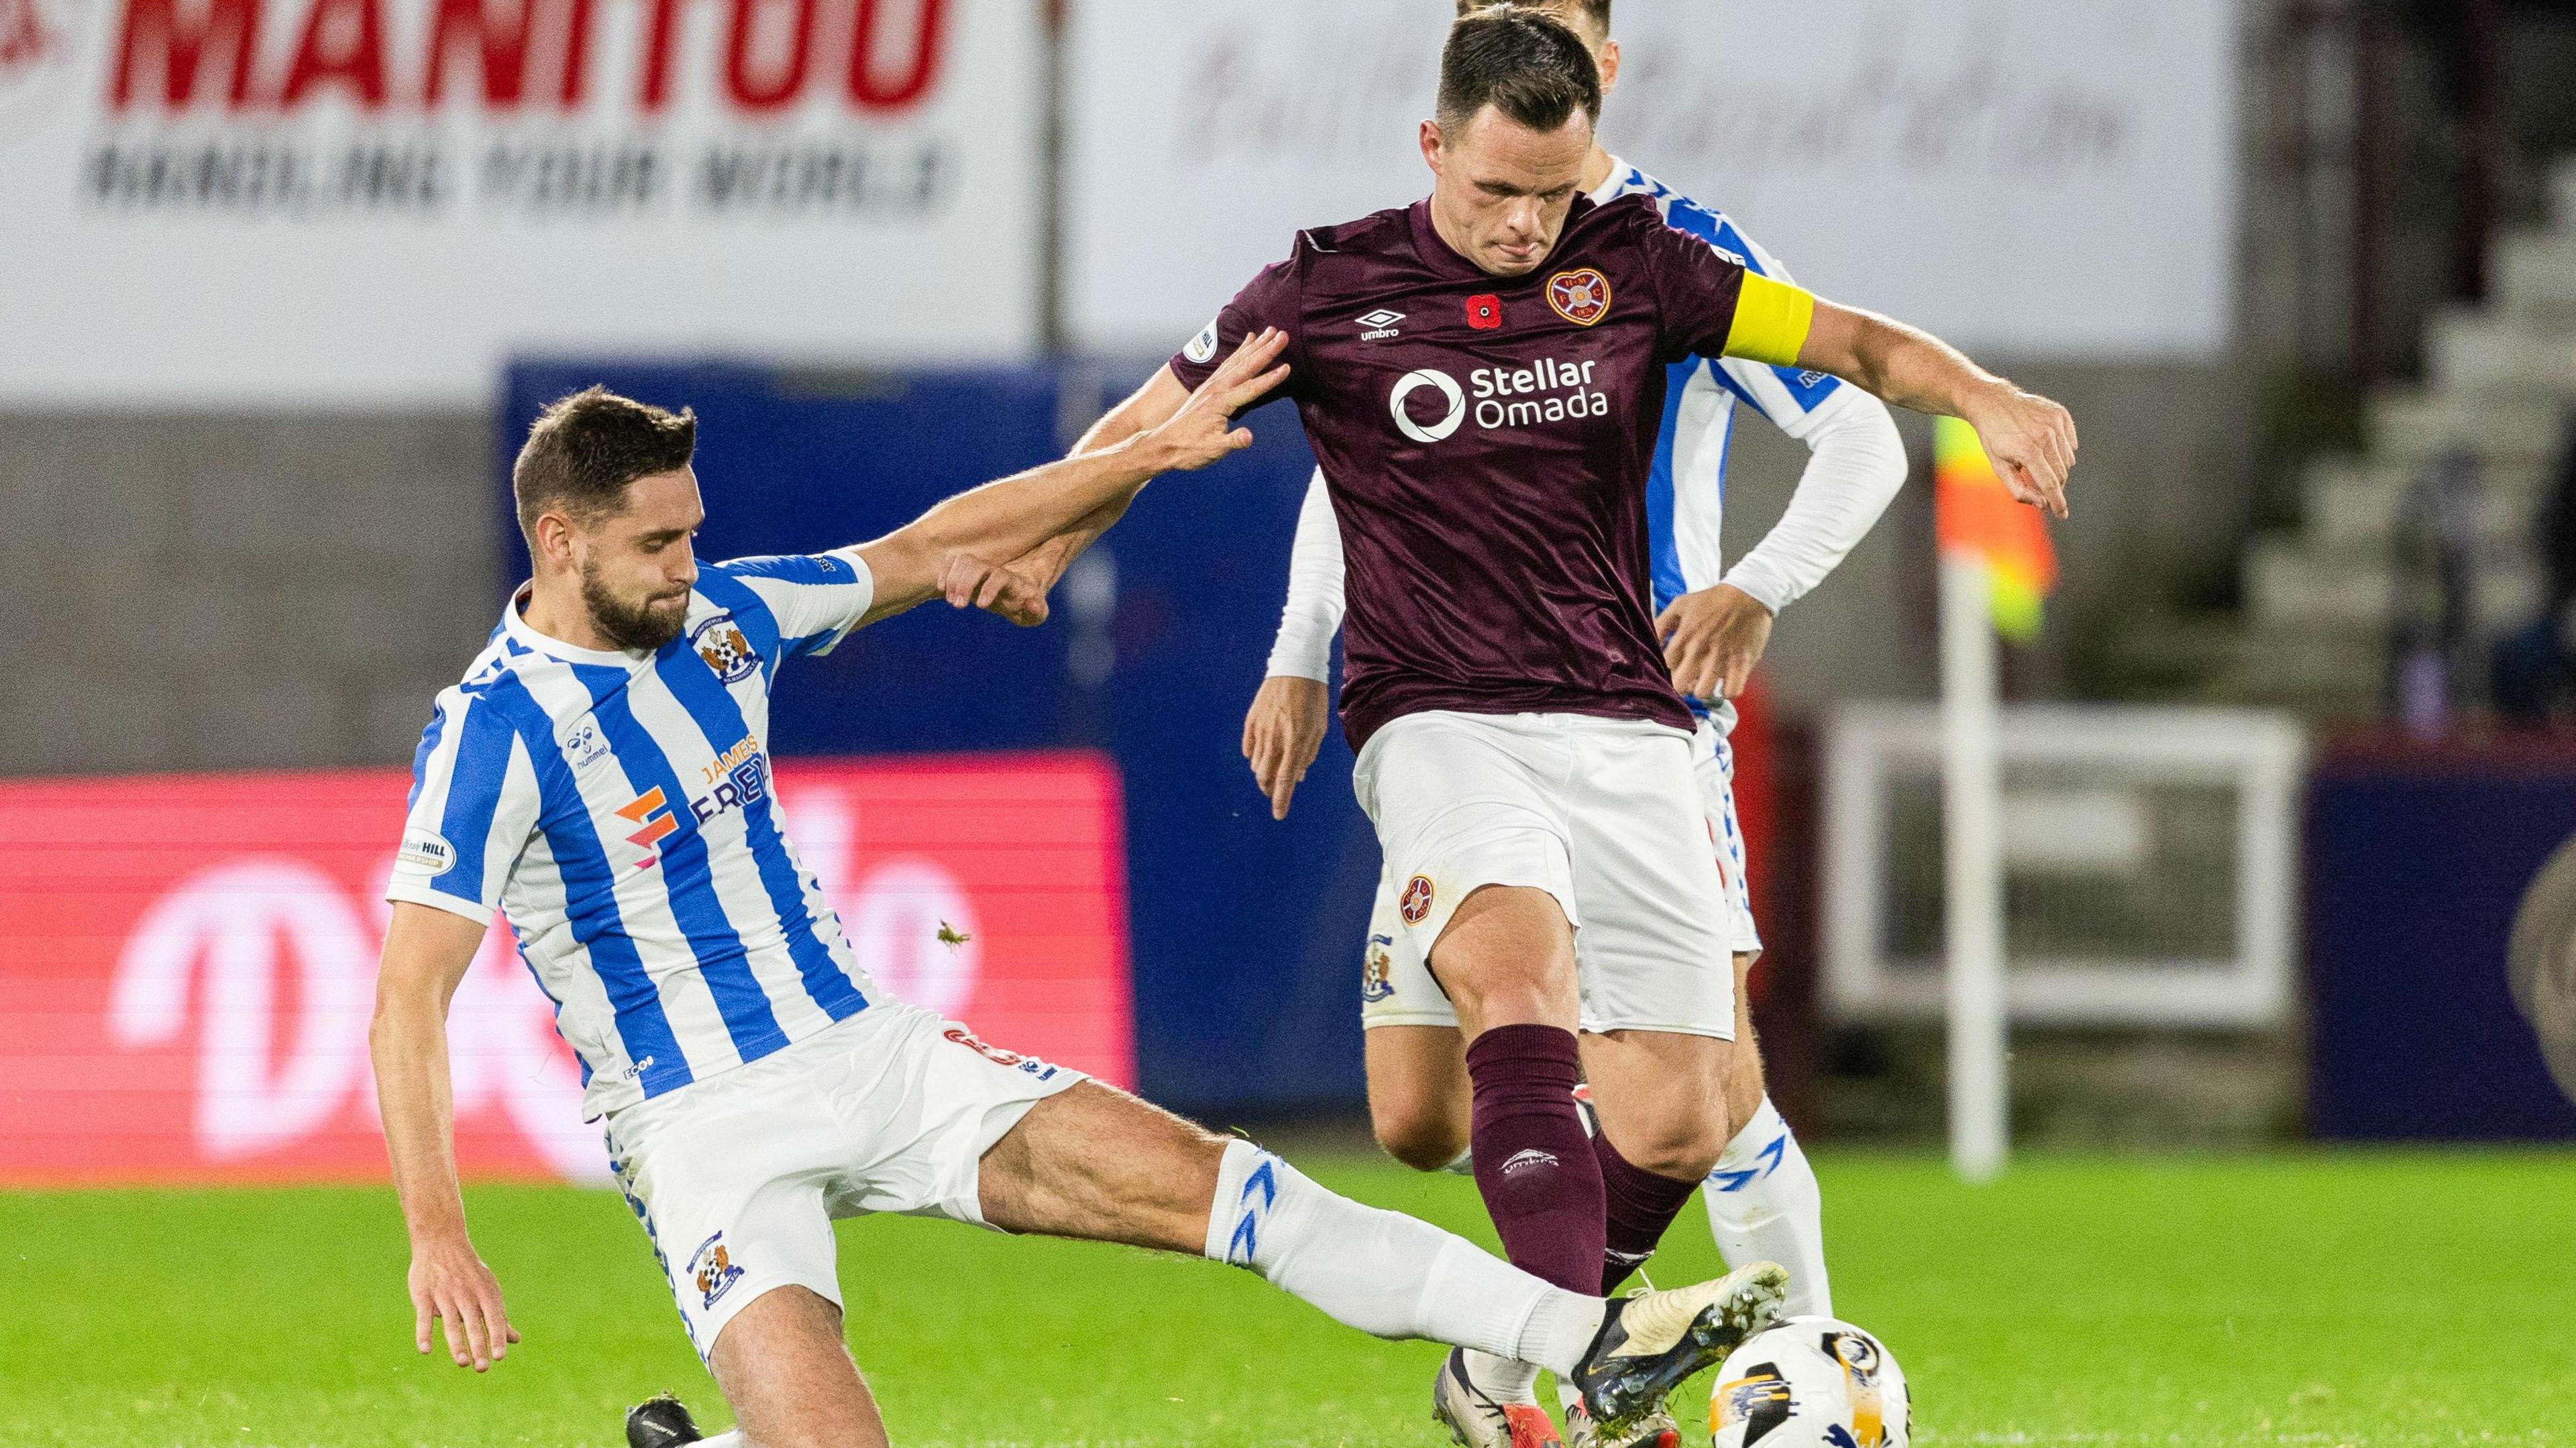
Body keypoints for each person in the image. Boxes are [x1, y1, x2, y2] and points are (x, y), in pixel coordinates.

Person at [368, 349, 1790, 1448]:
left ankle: (1586, 1340)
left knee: (1236, 1191)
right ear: (560, 543)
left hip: (872, 1055)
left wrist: (1139, 461)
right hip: (699, 1133)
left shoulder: (732, 619)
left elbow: (935, 541)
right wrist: (439, 1227)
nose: (688, 570)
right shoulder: (490, 733)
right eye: (655, 549)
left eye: (691, 536)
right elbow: (408, 998)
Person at [1008, 10, 2074, 1448]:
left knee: (1690, 1109)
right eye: (1495, 193)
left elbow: (1857, 348)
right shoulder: (1328, 285)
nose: (1522, 228)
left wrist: (1987, 396)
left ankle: (1496, 1381)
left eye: (1550, 199)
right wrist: (1043, 533)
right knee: (1513, 980)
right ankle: (1582, 1370)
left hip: (1628, 720)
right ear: (1433, 144)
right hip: (1435, 716)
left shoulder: (1646, 265)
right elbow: (1153, 418)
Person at [1234, 5, 1902, 1443]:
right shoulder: (1407, 262)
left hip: (1633, 705)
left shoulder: (1677, 246)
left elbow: (1862, 425)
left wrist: (1756, 587)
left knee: (1707, 1077)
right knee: (1417, 1119)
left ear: (1606, 65)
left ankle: (1782, 1374)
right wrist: (1299, 648)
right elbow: (1369, 461)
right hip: (1448, 698)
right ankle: (1561, 1347)